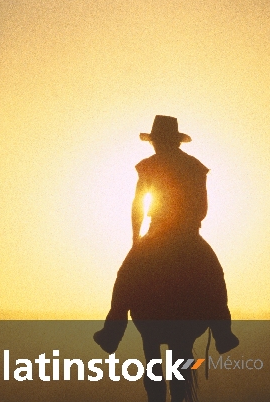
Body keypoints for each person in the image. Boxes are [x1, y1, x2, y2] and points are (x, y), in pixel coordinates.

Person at [93, 115, 239, 355]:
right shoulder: (194, 166)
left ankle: (112, 333)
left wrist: (136, 240)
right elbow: (202, 207)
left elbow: (138, 205)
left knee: (125, 275)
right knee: (213, 272)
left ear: (157, 141)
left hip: (157, 233)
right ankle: (223, 333)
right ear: (177, 140)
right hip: (189, 235)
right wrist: (188, 222)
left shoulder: (148, 166)